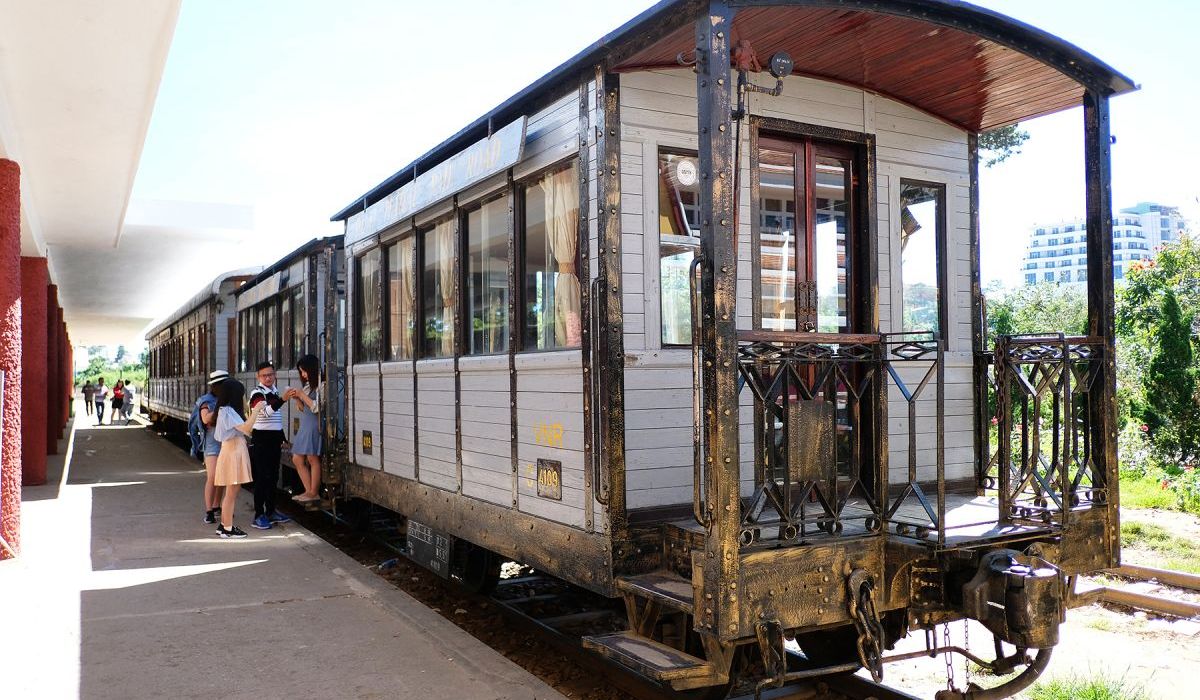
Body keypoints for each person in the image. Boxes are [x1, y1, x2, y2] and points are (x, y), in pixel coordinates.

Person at [212, 379, 266, 538]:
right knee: (231, 492)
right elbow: (246, 428)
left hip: (233, 450)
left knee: (232, 491)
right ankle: (227, 529)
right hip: (233, 452)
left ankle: (224, 525)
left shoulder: (226, 410)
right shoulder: (228, 411)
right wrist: (256, 410)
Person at [248, 361, 291, 530]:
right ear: (258, 377)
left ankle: (271, 511)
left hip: (273, 439)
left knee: (273, 477)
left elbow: (275, 421)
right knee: (262, 478)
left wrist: (283, 438)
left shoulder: (274, 391)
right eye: (264, 375)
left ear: (275, 375)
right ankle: (259, 515)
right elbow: (265, 413)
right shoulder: (257, 394)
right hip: (261, 440)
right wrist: (283, 400)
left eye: (270, 374)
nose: (268, 378)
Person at [284, 354, 322, 504]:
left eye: (304, 371)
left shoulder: (322, 385)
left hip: (314, 424)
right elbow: (303, 408)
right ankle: (309, 490)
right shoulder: (307, 386)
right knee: (297, 458)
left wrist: (301, 395)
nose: (303, 374)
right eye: (301, 372)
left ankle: (313, 492)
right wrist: (297, 398)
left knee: (312, 458)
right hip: (306, 424)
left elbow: (316, 407)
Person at [197, 370, 229, 524]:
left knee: (222, 477)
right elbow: (205, 419)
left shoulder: (230, 398)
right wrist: (220, 409)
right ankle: (209, 510)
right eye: (223, 385)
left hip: (226, 441)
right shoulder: (206, 400)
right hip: (212, 442)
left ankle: (217, 506)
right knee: (212, 476)